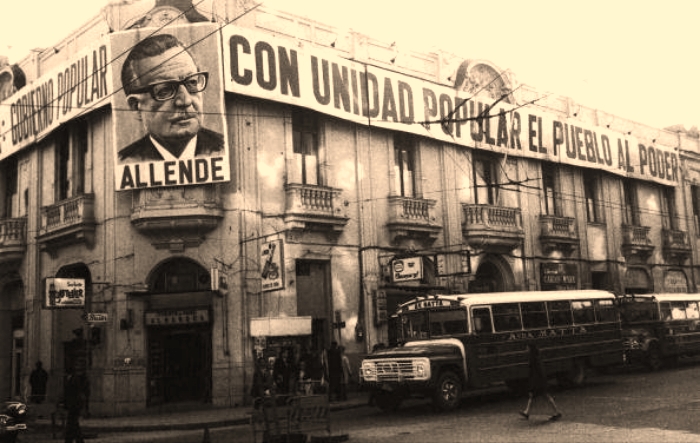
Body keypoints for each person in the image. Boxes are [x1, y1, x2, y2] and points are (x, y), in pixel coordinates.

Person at [118, 34, 224, 163]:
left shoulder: (223, 147)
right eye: (165, 90)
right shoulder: (126, 161)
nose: (185, 101)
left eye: (191, 83)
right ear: (136, 106)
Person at [519, 343, 562, 421]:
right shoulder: (536, 357)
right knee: (536, 396)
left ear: (530, 349)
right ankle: (526, 412)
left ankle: (557, 412)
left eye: (527, 347)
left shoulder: (534, 359)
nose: (526, 349)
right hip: (540, 381)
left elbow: (536, 372)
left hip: (538, 382)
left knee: (544, 396)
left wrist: (534, 383)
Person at [63, 367, 89, 443]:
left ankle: (71, 440)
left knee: (71, 424)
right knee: (73, 424)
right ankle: (76, 440)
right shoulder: (73, 379)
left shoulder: (73, 379)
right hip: (74, 405)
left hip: (74, 405)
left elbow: (73, 394)